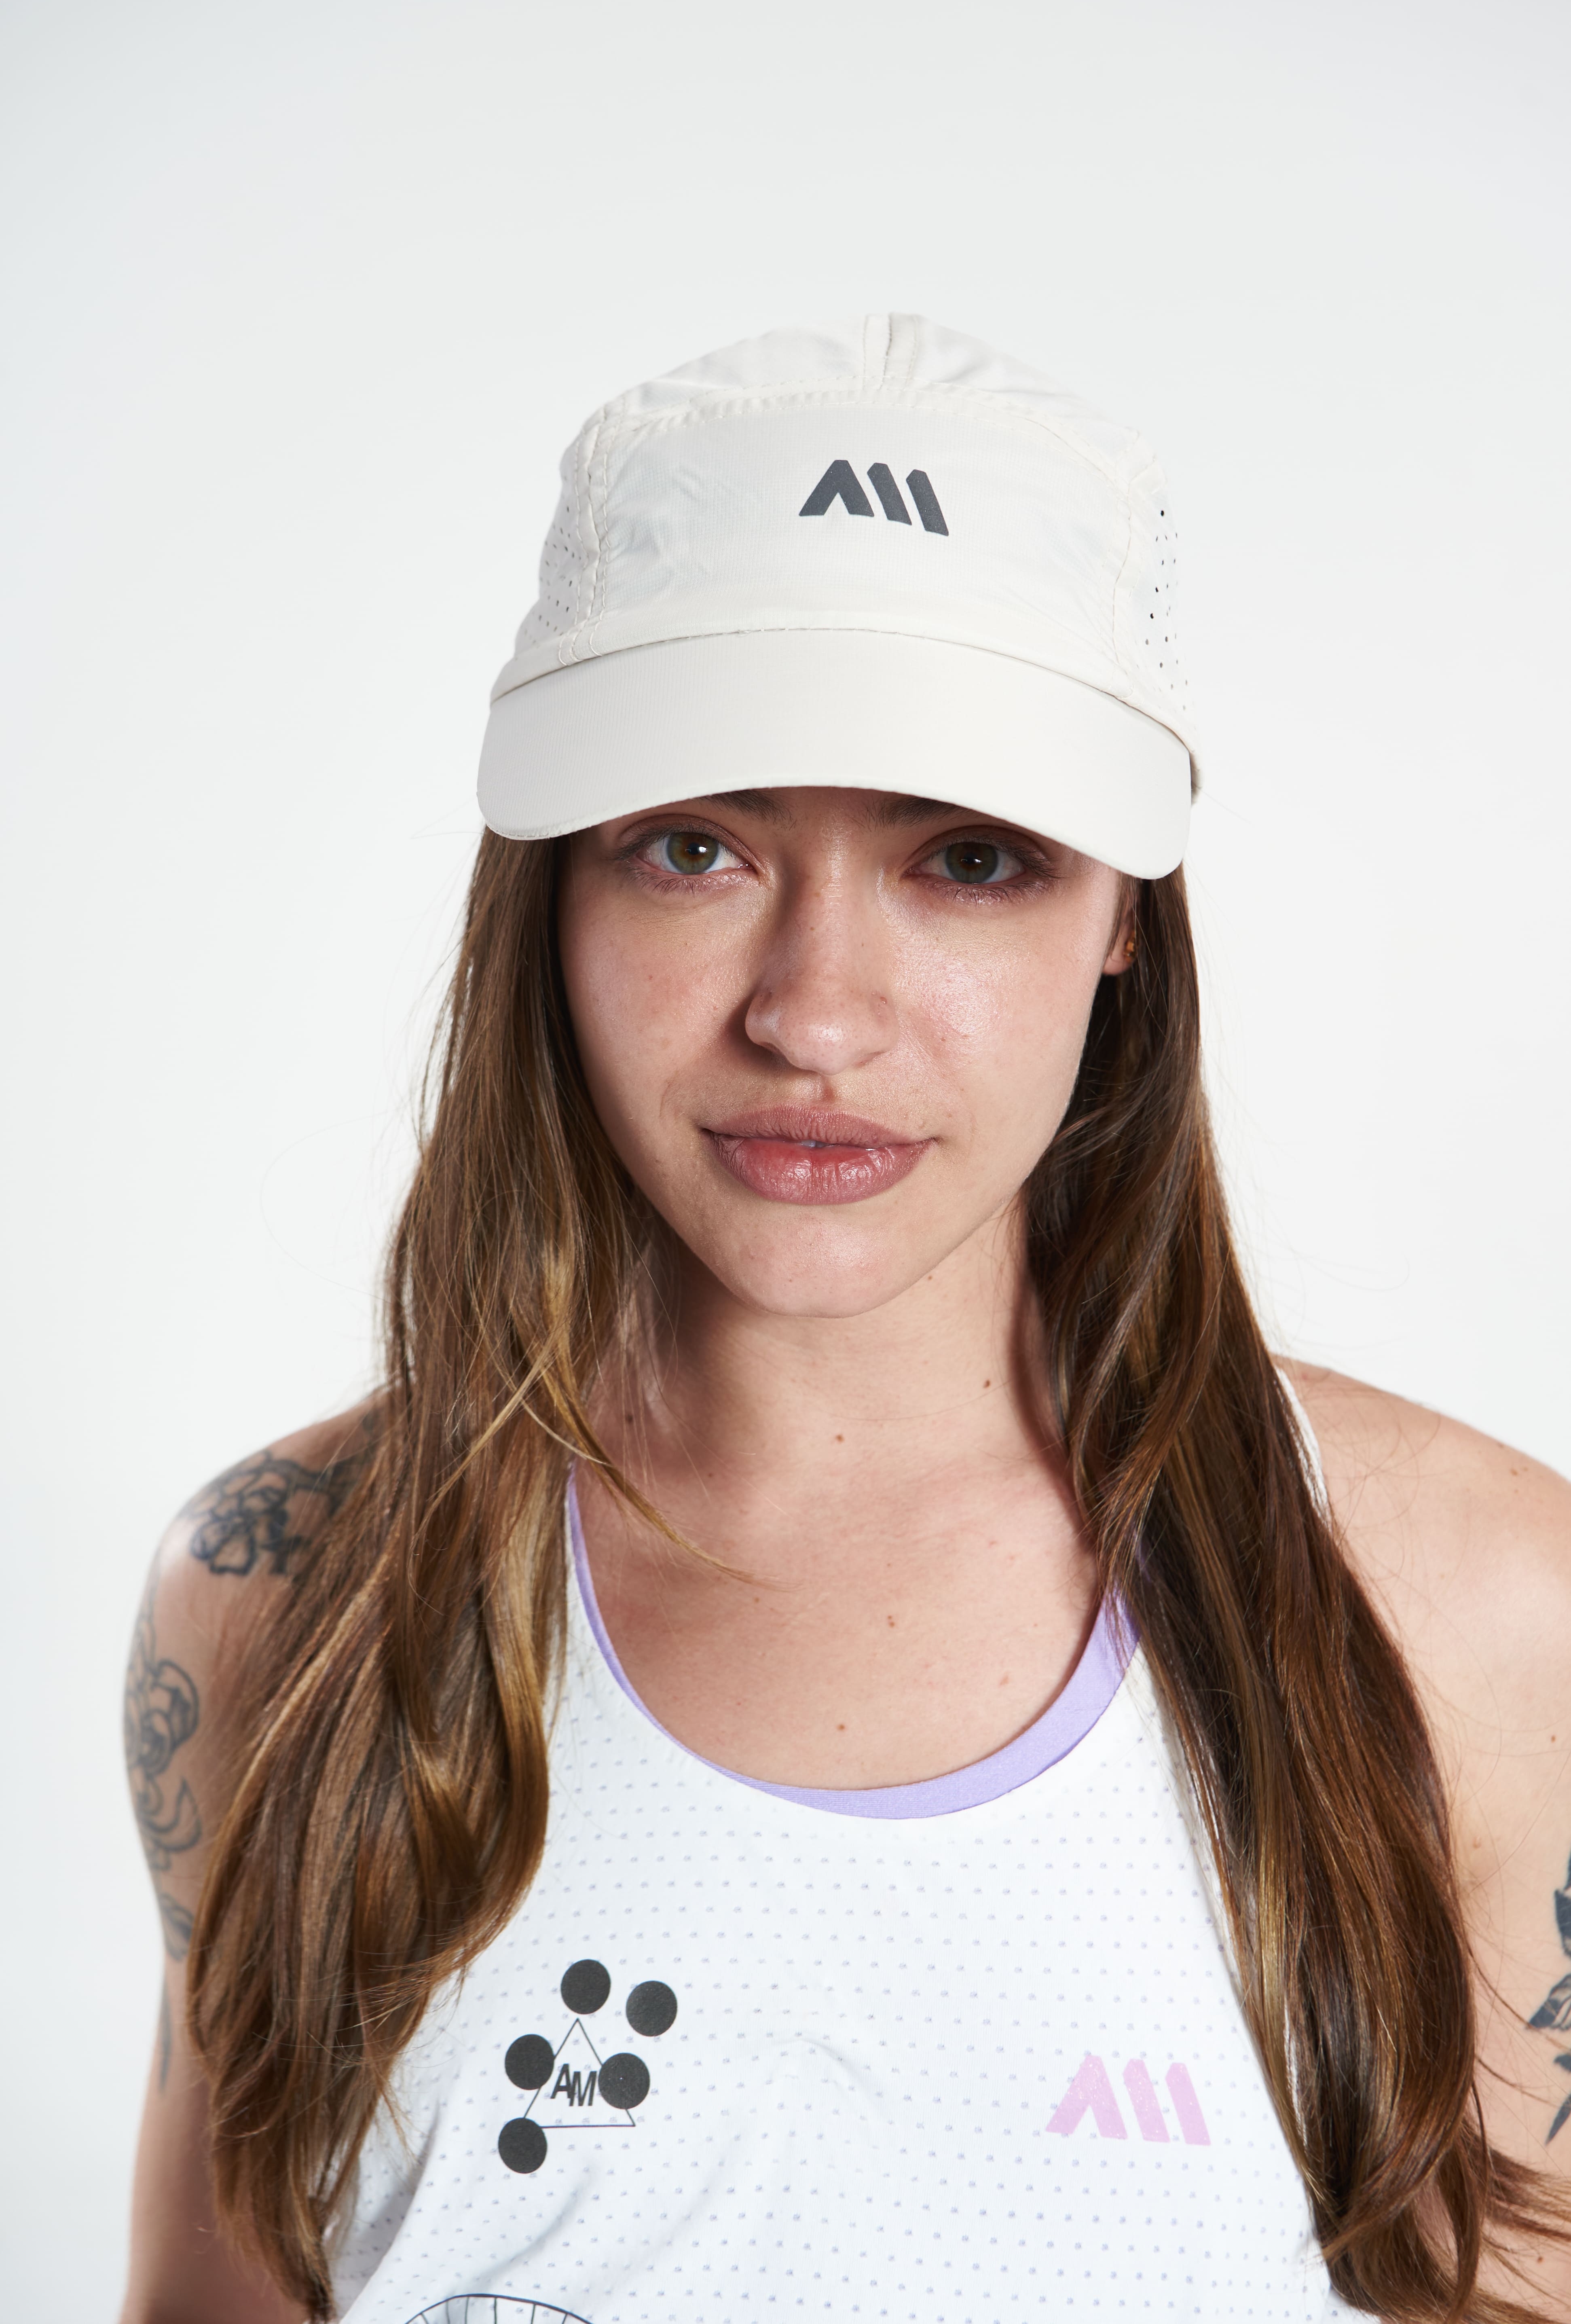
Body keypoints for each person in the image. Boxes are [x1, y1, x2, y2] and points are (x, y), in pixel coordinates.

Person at [121, 317, 1571, 2324]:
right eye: (692, 847)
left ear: (1127, 917)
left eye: (970, 861)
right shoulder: (282, 1591)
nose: (813, 1015)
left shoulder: (1474, 1608)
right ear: (549, 894)